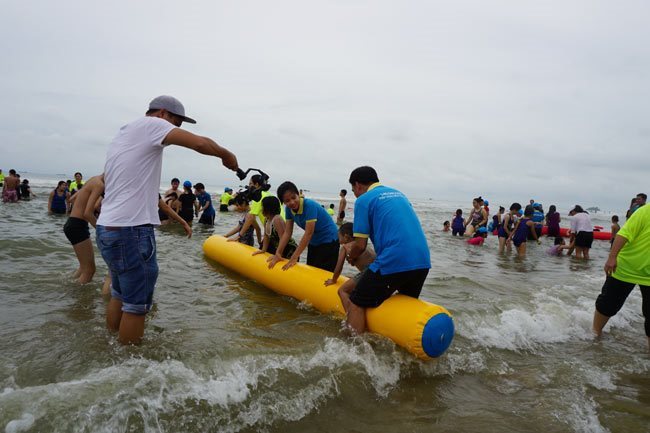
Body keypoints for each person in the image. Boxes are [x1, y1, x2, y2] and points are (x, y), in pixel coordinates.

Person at [96, 95, 239, 345]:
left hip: (108, 228)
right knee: (136, 304)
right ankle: (128, 366)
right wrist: (225, 155)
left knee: (120, 293)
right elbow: (199, 143)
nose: (177, 129)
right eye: (176, 122)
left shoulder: (124, 133)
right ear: (162, 113)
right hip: (131, 230)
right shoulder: (153, 124)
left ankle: (110, 348)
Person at [339, 166, 430, 333]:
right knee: (403, 306)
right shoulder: (399, 194)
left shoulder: (364, 200)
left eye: (354, 191)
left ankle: (354, 352)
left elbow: (360, 245)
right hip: (422, 260)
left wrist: (351, 257)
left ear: (358, 185)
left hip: (394, 260)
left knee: (355, 300)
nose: (356, 194)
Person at [593, 203, 650, 349]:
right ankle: (595, 334)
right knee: (608, 304)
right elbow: (623, 234)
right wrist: (612, 257)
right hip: (626, 267)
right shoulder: (644, 212)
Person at [268, 181, 340, 272]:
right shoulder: (288, 210)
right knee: (311, 269)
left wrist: (294, 257)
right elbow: (287, 232)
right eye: (287, 201)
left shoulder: (309, 205)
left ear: (298, 194)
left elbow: (308, 233)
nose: (292, 202)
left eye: (293, 197)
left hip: (329, 240)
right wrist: (278, 253)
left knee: (323, 272)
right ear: (283, 202)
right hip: (314, 241)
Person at [64, 174, 105, 283]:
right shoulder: (100, 185)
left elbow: (72, 199)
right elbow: (88, 213)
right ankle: (79, 296)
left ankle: (71, 286)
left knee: (83, 267)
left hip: (72, 223)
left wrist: (79, 207)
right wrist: (101, 230)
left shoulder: (92, 180)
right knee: (89, 270)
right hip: (78, 226)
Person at [324, 222, 376, 303]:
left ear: (346, 237)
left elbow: (339, 267)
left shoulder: (345, 247)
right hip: (380, 268)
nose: (338, 238)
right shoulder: (362, 244)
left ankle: (350, 310)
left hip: (369, 271)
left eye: (339, 236)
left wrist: (333, 280)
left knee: (344, 291)